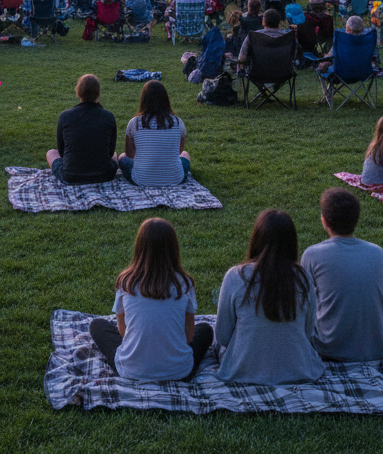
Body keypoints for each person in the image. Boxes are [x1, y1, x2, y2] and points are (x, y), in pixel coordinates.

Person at [89, 218, 212, 382]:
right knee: (205, 330)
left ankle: (141, 361)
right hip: (180, 372)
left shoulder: (125, 282)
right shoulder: (185, 283)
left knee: (97, 325)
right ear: (173, 248)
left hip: (131, 372)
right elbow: (189, 335)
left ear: (139, 247)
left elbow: (123, 331)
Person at [213, 209, 323, 384]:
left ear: (256, 239)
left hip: (242, 371)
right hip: (298, 370)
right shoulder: (303, 278)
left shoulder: (235, 277)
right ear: (291, 242)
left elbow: (223, 336)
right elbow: (308, 332)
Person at [300, 188, 383, 363]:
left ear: (324, 220)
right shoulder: (378, 252)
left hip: (330, 349)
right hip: (379, 348)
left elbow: (303, 304)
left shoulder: (312, 255)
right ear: (356, 219)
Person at [45, 74, 118, 184]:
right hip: (104, 175)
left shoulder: (65, 116)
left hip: (71, 176)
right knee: (115, 155)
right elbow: (110, 151)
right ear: (98, 93)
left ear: (78, 92)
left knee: (51, 153)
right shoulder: (108, 117)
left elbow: (61, 151)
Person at [118, 80, 190, 187]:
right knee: (185, 154)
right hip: (175, 178)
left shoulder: (134, 123)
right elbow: (178, 151)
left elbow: (129, 154)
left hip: (141, 179)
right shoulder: (178, 122)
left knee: (122, 157)